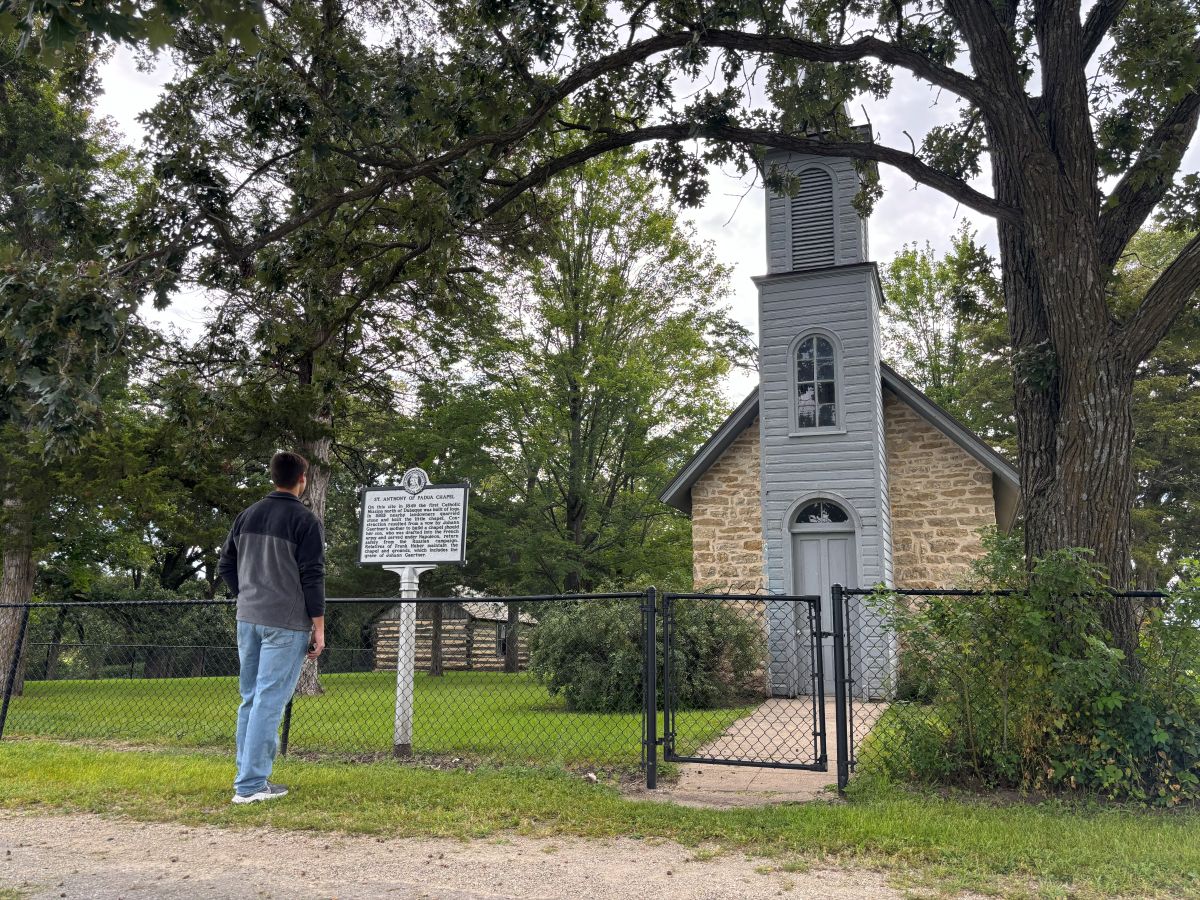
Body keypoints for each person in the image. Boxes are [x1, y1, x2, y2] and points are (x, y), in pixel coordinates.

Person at [218, 451, 325, 804]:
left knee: (250, 698)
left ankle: (245, 775)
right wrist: (319, 627)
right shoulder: (305, 521)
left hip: (248, 618)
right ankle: (250, 785)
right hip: (286, 622)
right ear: (302, 480)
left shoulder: (247, 515)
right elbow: (313, 576)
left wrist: (245, 595)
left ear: (273, 476)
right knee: (269, 701)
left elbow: (226, 564)